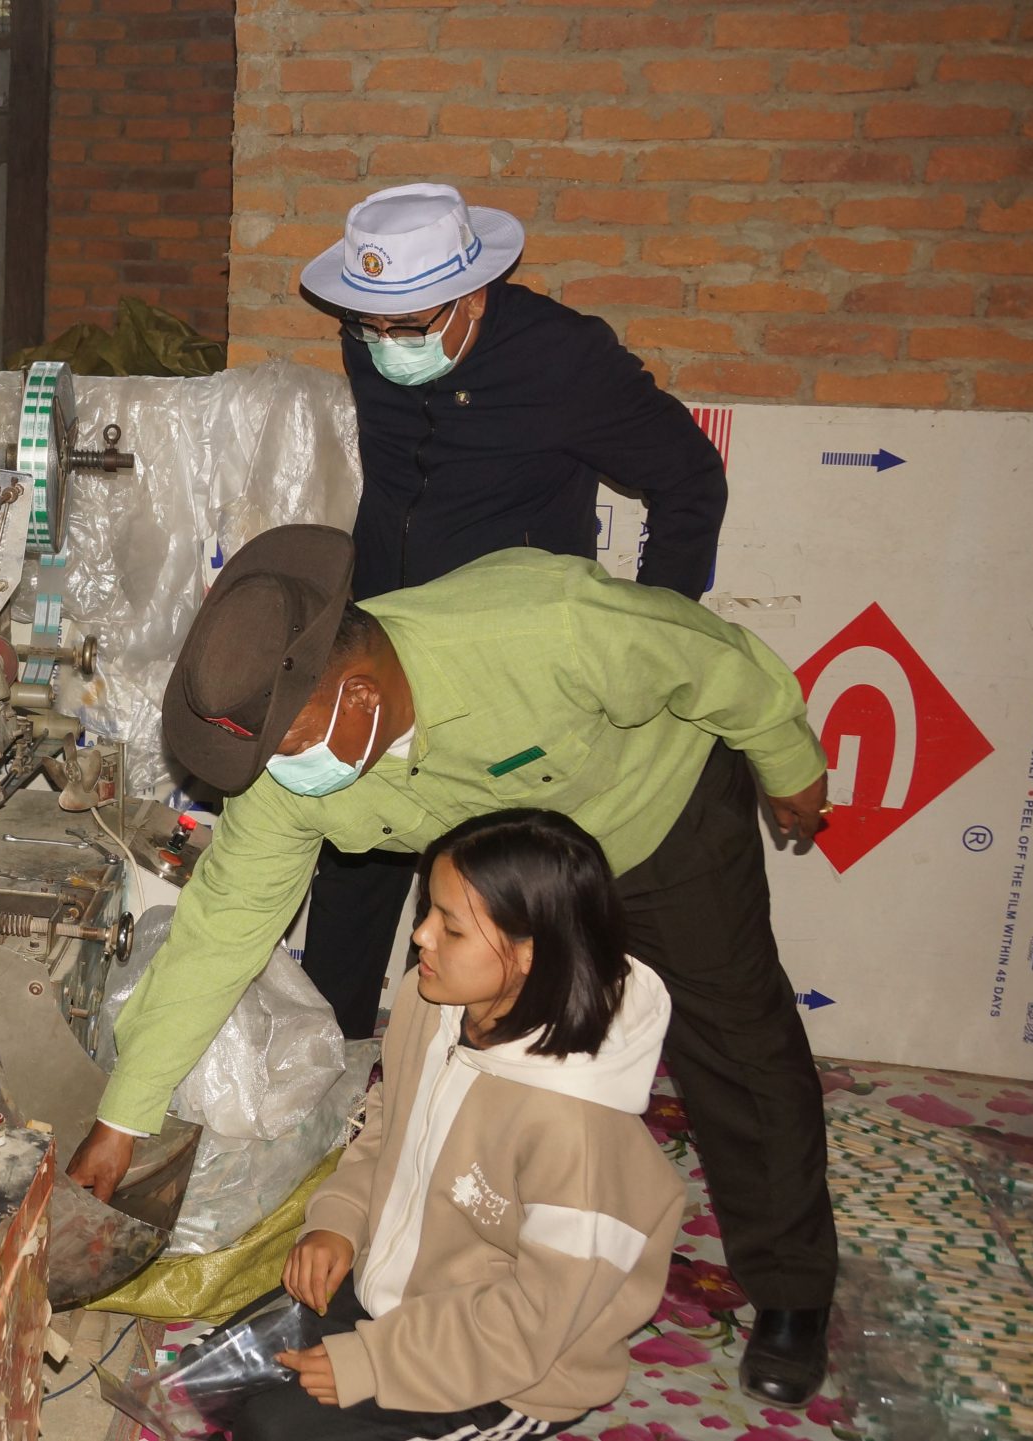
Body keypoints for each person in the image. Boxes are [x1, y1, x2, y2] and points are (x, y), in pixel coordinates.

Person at [69, 526, 838, 1404]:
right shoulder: (289, 770)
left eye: (287, 749)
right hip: (495, 894)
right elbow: (220, 932)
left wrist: (788, 759)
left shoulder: (544, 628)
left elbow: (714, 660)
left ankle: (793, 1288)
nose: (277, 773)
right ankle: (440, 1279)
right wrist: (123, 1117)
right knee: (439, 1064)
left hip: (654, 821)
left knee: (740, 1043)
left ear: (359, 696)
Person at [290, 183, 729, 1044]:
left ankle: (478, 1076)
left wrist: (649, 631)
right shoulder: (374, 338)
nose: (384, 346)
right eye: (367, 326)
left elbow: (689, 479)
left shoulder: (563, 361)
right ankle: (326, 1068)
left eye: (407, 327)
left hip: (502, 684)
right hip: (383, 653)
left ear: (473, 296)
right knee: (352, 870)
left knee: (481, 903)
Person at [236, 809, 685, 1441]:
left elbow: (536, 1320)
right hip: (402, 1292)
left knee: (271, 1428)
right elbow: (388, 1127)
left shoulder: (580, 1129)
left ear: (528, 954)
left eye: (450, 927)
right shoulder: (432, 1003)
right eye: (427, 911)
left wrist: (375, 1363)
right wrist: (340, 1222)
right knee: (225, 1377)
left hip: (512, 1368)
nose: (421, 936)